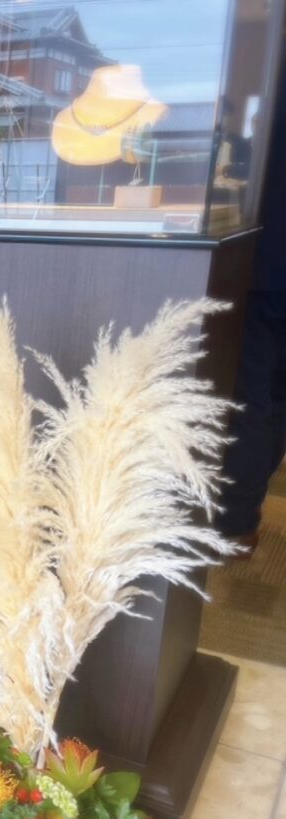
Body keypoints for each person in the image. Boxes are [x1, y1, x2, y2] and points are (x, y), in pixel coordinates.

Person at [216, 81, 286, 554]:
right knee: (275, 395)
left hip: (267, 265)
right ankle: (244, 517)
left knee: (250, 396)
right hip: (271, 266)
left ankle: (236, 521)